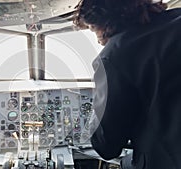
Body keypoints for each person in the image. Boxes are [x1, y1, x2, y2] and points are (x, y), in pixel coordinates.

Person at [74, 0, 181, 168]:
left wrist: (97, 112)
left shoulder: (114, 57)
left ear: (107, 22)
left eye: (94, 29)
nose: (98, 41)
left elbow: (106, 146)